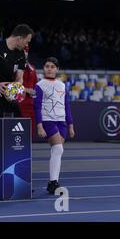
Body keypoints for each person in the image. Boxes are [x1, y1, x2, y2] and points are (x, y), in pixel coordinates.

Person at [0, 24, 33, 191]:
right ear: (19, 37)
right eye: (26, 41)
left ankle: (19, 179)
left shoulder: (20, 55)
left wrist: (16, 87)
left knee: (19, 134)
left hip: (10, 98)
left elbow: (20, 78)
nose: (27, 45)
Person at [34, 57, 75, 194]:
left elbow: (67, 106)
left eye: (52, 66)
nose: (49, 69)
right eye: (47, 66)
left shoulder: (62, 85)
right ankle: (53, 183)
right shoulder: (40, 85)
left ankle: (53, 182)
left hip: (61, 121)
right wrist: (39, 125)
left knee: (56, 151)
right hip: (47, 120)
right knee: (58, 149)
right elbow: (37, 107)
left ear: (57, 69)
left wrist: (70, 125)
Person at [18, 45, 38, 138]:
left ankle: (27, 152)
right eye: (22, 51)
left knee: (30, 131)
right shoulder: (15, 67)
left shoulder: (32, 68)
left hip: (30, 104)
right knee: (19, 131)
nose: (24, 53)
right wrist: (26, 90)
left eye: (26, 51)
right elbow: (11, 84)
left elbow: (35, 85)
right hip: (19, 103)